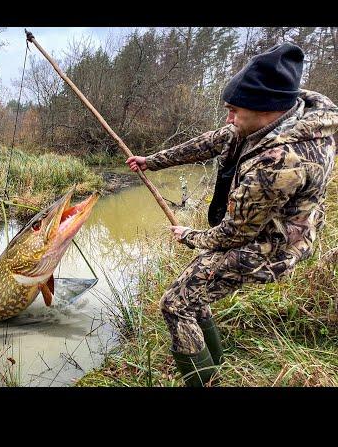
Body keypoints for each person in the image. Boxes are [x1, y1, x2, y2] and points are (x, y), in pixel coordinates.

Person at [126, 42, 337, 387]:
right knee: (192, 292)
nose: (229, 118)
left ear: (266, 111)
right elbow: (212, 141)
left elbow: (233, 235)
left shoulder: (281, 162)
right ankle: (216, 365)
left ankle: (204, 381)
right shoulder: (270, 117)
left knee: (175, 304)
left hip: (271, 247)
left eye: (234, 110)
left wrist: (189, 236)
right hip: (254, 229)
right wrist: (152, 161)